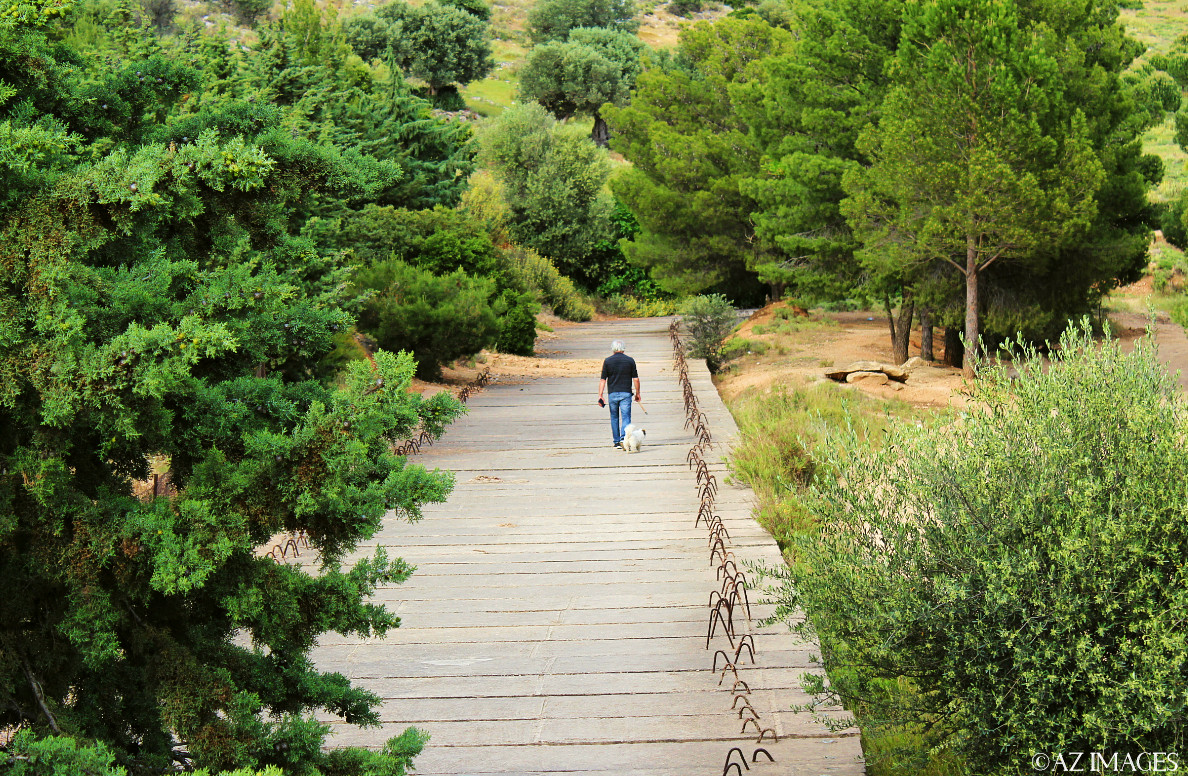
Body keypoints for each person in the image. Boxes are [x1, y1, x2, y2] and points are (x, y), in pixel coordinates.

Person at [597, 340, 641, 448]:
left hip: (612, 393)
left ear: (612, 348)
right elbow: (636, 379)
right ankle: (623, 438)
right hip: (626, 393)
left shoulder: (607, 361)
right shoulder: (630, 360)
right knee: (626, 417)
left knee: (614, 417)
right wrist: (638, 393)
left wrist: (600, 395)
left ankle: (616, 442)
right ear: (623, 348)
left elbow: (603, 380)